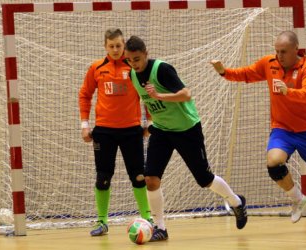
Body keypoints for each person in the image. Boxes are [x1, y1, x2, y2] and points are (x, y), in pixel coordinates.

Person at [210, 30, 306, 230]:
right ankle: (297, 199)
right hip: (282, 129)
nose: (279, 56)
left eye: (283, 52)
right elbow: (246, 74)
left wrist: (287, 91)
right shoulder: (269, 63)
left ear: (295, 50)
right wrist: (224, 72)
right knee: (274, 163)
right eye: (277, 51)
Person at [124, 35, 248, 242]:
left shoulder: (162, 70)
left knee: (204, 179)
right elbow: (146, 99)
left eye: (136, 59)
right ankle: (160, 228)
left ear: (146, 53)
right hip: (162, 130)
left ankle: (236, 202)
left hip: (186, 129)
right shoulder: (132, 75)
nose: (133, 64)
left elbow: (186, 94)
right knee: (151, 179)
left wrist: (160, 96)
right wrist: (149, 122)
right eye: (129, 60)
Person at [78, 29, 152, 236]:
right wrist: (84, 124)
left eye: (119, 46)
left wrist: (149, 122)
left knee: (138, 176)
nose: (116, 50)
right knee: (103, 177)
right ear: (105, 47)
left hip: (132, 131)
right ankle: (102, 222)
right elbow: (85, 95)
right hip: (104, 132)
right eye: (111, 46)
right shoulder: (96, 68)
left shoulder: (133, 67)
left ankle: (147, 217)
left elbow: (146, 93)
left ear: (124, 45)